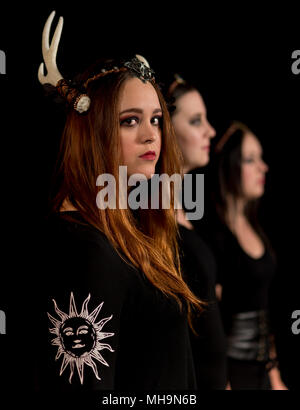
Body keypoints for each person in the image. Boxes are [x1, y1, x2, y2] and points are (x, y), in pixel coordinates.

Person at [32, 11, 204, 396]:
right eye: (130, 121)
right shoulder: (83, 249)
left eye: (157, 120)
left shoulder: (128, 235)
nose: (150, 136)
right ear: (94, 129)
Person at [204, 120, 286, 389]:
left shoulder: (255, 227)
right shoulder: (215, 238)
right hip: (233, 375)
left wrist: (275, 378)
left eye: (260, 158)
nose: (263, 167)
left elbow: (263, 309)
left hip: (262, 372)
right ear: (230, 166)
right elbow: (210, 325)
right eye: (251, 160)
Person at [163, 74, 227, 389]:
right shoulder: (153, 220)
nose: (210, 131)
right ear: (167, 129)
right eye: (196, 121)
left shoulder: (189, 214)